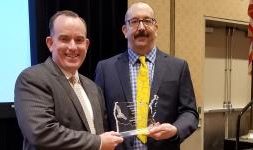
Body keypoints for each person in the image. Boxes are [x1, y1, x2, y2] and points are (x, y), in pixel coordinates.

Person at [95, 2, 199, 150]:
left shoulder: (178, 67)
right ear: (125, 30)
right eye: (135, 22)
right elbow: (99, 116)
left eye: (147, 21)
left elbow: (190, 112)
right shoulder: (105, 69)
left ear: (156, 28)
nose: (141, 27)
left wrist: (175, 129)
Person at [14, 10, 123, 150]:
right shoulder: (32, 79)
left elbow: (102, 134)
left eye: (79, 40)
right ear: (50, 43)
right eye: (64, 39)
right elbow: (41, 133)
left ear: (87, 45)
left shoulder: (93, 88)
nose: (73, 47)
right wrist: (98, 143)